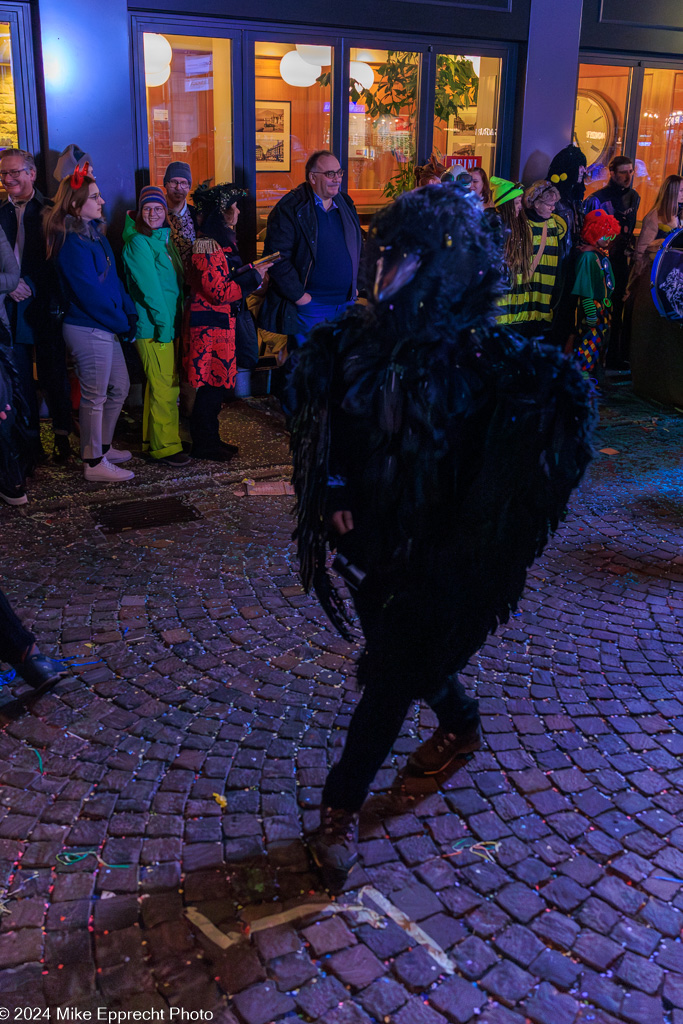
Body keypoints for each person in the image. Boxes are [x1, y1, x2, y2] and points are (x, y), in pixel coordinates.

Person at [290, 184, 594, 892]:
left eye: (404, 258)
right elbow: (329, 423)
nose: (384, 271)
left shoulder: (480, 362)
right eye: (384, 255)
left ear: (442, 267)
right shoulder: (355, 345)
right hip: (369, 540)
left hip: (437, 555)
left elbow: (553, 412)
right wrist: (333, 493)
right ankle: (459, 720)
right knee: (402, 654)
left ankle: (339, 808)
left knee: (393, 674)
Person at [43, 165, 137, 483]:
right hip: (88, 327)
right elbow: (89, 293)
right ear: (75, 204)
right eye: (95, 197)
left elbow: (113, 281)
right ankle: (94, 462)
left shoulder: (94, 233)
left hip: (105, 325)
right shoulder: (71, 242)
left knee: (118, 387)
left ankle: (103, 448)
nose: (102, 201)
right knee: (95, 395)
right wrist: (122, 322)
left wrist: (130, 313)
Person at [258, 150, 362, 414]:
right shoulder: (291, 208)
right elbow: (276, 258)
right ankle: (299, 423)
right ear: (312, 177)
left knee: (335, 365)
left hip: (343, 303)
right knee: (305, 365)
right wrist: (300, 297)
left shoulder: (345, 204)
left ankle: (325, 423)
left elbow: (360, 246)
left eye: (339, 173)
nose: (337, 179)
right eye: (330, 174)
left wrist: (355, 282)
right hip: (310, 304)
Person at [0, 148, 73, 464]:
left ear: (31, 173)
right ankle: (29, 446)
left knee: (53, 374)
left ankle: (63, 439)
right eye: (4, 174)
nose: (8, 179)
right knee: (18, 378)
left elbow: (62, 263)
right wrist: (10, 284)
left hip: (44, 306)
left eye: (14, 172)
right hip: (8, 305)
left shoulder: (51, 211)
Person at [185, 182, 268, 461]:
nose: (239, 212)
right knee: (210, 386)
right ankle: (204, 443)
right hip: (209, 328)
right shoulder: (206, 244)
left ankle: (212, 439)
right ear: (222, 213)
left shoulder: (218, 241)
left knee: (217, 385)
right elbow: (219, 291)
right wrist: (255, 277)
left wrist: (252, 271)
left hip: (220, 325)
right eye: (234, 207)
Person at [122, 185, 189, 468]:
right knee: (165, 388)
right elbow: (150, 291)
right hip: (154, 328)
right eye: (147, 208)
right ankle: (166, 447)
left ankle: (156, 440)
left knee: (159, 386)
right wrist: (165, 327)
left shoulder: (162, 239)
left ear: (165, 212)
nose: (152, 213)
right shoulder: (138, 242)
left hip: (167, 324)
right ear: (139, 212)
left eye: (158, 208)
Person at [626, 175, 683, 405]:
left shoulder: (676, 216)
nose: (682, 196)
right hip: (651, 280)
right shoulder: (654, 217)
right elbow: (641, 252)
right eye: (680, 192)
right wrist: (661, 244)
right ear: (671, 193)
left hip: (669, 280)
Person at [584, 155, 640, 367]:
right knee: (597, 308)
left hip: (621, 260)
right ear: (612, 173)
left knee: (618, 308)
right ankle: (596, 356)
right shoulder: (597, 198)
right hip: (600, 260)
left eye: (630, 171)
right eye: (623, 172)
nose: (628, 176)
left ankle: (614, 356)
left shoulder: (634, 197)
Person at [497, 180, 566, 340]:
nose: (553, 208)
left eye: (554, 204)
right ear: (536, 203)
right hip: (516, 295)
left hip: (541, 293)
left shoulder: (556, 224)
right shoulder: (518, 224)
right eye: (549, 204)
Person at [571, 209, 621, 375]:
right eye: (603, 235)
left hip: (604, 310)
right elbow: (585, 286)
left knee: (600, 346)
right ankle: (584, 382)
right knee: (588, 346)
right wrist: (590, 311)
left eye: (609, 235)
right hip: (592, 309)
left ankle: (595, 380)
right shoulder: (588, 257)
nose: (607, 239)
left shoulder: (600, 254)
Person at [163, 161, 197, 270]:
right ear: (166, 184)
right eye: (174, 182)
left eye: (183, 183)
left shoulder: (197, 215)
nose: (178, 188)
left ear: (188, 187)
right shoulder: (155, 214)